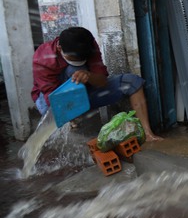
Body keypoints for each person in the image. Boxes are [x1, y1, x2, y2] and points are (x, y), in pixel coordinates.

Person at [31, 26, 162, 141]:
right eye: (74, 59)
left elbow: (102, 81)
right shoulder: (43, 58)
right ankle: (72, 130)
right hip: (53, 101)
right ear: (59, 48)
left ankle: (148, 134)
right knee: (72, 72)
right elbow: (53, 101)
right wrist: (70, 113)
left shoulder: (89, 44)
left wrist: (89, 76)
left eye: (82, 60)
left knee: (132, 82)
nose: (79, 62)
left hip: (86, 92)